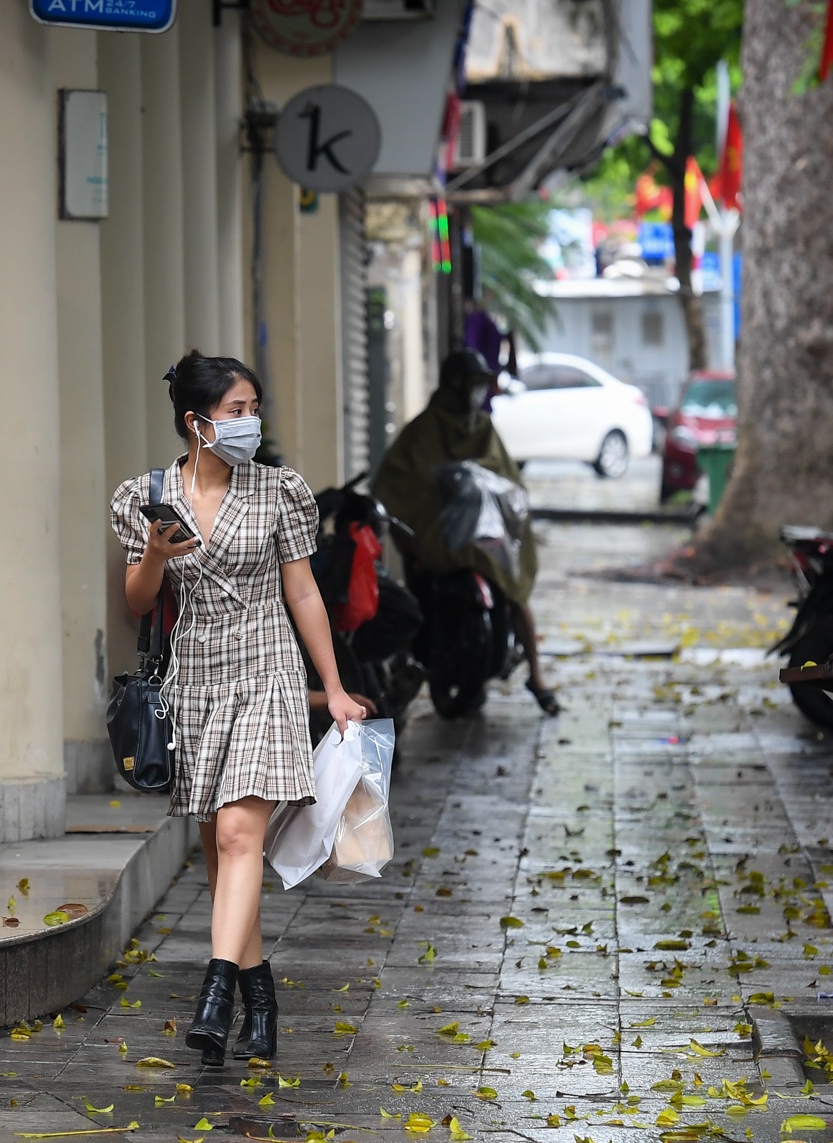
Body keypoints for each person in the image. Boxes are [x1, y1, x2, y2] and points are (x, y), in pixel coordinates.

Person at [112, 351, 368, 1067]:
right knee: (221, 854)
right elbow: (136, 600)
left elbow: (305, 593)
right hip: (194, 676)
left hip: (266, 668)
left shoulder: (279, 490)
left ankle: (216, 994)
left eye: (254, 408)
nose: (250, 421)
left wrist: (334, 685)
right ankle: (261, 996)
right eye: (236, 411)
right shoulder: (149, 492)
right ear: (196, 422)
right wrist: (157, 555)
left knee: (236, 837)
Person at [372, 349, 559, 715]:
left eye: (481, 385)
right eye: (473, 385)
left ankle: (537, 676)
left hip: (483, 539)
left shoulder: (483, 428)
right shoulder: (424, 429)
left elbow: (507, 478)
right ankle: (414, 664)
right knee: (414, 597)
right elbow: (397, 481)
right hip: (438, 538)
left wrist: (481, 479)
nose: (478, 392)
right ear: (455, 386)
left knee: (516, 595)